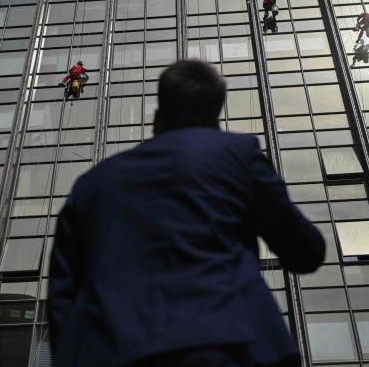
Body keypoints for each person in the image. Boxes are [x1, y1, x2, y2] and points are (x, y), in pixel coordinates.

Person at [47, 60, 325, 367]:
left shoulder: (91, 185)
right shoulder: (236, 155)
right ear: (216, 115)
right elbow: (305, 253)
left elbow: (63, 294)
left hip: (114, 350)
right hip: (226, 344)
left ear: (156, 118)